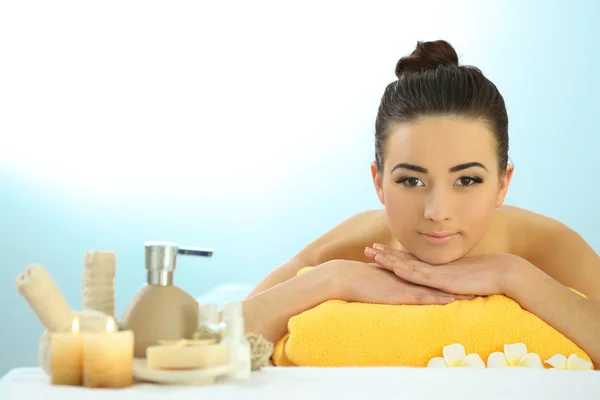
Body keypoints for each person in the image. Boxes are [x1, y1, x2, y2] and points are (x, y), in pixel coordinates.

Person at [241, 40, 600, 368]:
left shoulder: (547, 246)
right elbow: (214, 339)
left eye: (467, 180)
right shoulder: (348, 246)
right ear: (379, 181)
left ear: (503, 183)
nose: (437, 211)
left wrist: (512, 274)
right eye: (411, 180)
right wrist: (334, 277)